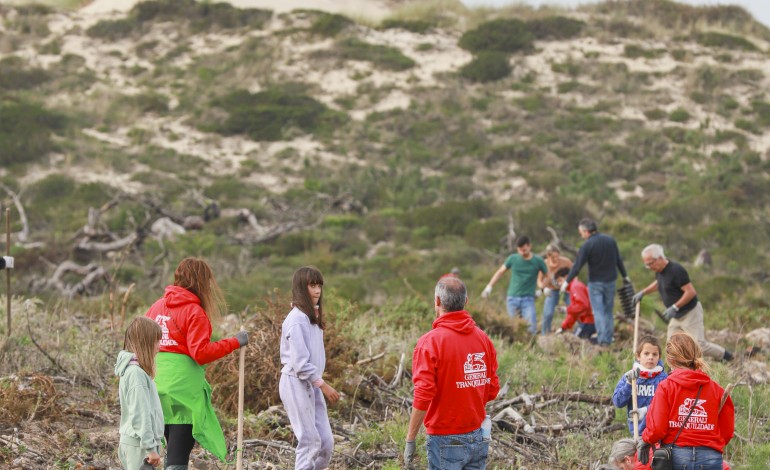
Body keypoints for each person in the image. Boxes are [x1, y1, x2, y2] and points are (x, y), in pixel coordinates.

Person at [145, 258, 248, 469]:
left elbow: (141, 342)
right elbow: (200, 353)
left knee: (156, 447)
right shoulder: (194, 311)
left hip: (154, 386)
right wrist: (235, 341)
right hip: (183, 391)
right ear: (201, 282)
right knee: (177, 454)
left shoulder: (156, 307)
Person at [405, 277, 500, 469]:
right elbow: (492, 390)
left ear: (437, 301)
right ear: (466, 302)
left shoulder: (430, 343)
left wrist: (410, 439)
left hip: (445, 437)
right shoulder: (483, 339)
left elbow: (423, 395)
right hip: (479, 434)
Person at [638, 333, 734, 469]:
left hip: (677, 456)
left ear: (670, 360)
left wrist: (646, 439)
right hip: (710, 457)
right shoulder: (716, 390)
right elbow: (727, 431)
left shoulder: (666, 387)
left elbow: (657, 429)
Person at [280, 266, 340, 470]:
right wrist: (323, 386)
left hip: (312, 384)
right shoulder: (297, 320)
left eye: (319, 286)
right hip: (296, 382)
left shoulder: (311, 318)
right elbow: (300, 364)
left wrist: (318, 384)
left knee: (325, 442)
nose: (317, 291)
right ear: (301, 288)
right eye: (312, 286)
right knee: (310, 441)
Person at [632, 244, 733, 362]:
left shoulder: (676, 270)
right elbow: (659, 283)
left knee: (698, 346)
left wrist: (674, 307)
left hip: (690, 312)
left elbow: (690, 292)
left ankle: (726, 356)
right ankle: (673, 371)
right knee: (672, 347)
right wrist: (643, 292)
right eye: (646, 264)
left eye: (650, 263)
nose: (648, 267)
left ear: (659, 257)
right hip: (676, 316)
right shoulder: (659, 270)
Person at [561, 218, 629, 346]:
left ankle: (602, 340)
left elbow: (577, 266)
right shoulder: (610, 240)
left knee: (598, 311)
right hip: (611, 281)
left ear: (586, 231)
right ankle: (608, 339)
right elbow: (618, 260)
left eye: (581, 232)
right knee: (608, 311)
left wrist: (566, 282)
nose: (581, 235)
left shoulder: (587, 245)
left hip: (596, 283)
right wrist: (625, 276)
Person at [115, 317, 164, 470]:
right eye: (156, 341)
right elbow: (141, 413)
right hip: (139, 446)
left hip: (136, 443)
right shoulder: (136, 374)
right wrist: (150, 448)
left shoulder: (134, 370)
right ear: (146, 343)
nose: (159, 347)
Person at [482, 235, 547, 335]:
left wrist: (542, 289)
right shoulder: (513, 258)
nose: (522, 252)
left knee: (531, 328)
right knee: (512, 328)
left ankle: (530, 349)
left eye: (524, 250)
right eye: (519, 250)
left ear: (530, 246)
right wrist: (489, 287)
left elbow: (548, 276)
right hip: (512, 299)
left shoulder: (538, 261)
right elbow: (500, 272)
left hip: (528, 299)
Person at [611, 335, 667, 435]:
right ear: (638, 356)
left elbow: (667, 404)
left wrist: (646, 410)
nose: (650, 357)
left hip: (659, 433)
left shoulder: (664, 380)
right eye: (646, 353)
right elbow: (618, 402)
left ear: (659, 357)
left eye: (655, 354)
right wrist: (628, 385)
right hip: (637, 432)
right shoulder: (630, 377)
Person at [538, 245, 573, 335]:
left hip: (566, 288)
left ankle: (575, 332)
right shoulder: (544, 264)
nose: (556, 259)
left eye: (557, 256)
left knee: (573, 308)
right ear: (548, 256)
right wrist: (543, 288)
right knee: (548, 313)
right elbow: (539, 280)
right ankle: (545, 335)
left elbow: (574, 274)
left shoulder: (566, 262)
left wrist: (569, 285)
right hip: (552, 289)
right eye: (553, 257)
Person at [553, 267, 595, 339]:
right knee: (579, 338)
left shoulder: (575, 286)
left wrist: (566, 309)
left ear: (567, 277)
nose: (559, 284)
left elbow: (583, 306)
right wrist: (563, 327)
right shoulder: (573, 288)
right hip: (587, 321)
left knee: (577, 340)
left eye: (560, 280)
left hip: (589, 321)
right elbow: (574, 313)